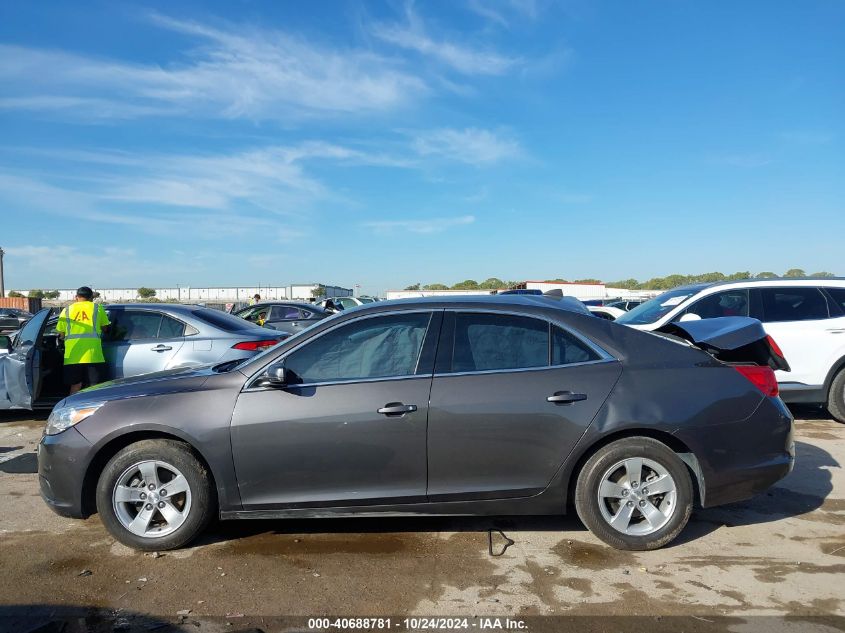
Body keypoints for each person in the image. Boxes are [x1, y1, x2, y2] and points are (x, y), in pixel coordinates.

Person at [56, 286, 110, 395]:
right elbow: (106, 328)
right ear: (91, 298)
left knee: (75, 385)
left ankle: (72, 409)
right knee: (94, 386)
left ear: (76, 297)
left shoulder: (66, 310)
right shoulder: (97, 308)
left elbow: (61, 334)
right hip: (93, 355)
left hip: (72, 356)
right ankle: (93, 410)